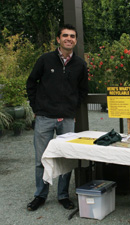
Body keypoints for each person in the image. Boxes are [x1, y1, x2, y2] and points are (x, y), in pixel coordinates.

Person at [26, 24, 88, 211]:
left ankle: (63, 195)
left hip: (67, 119)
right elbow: (31, 82)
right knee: (41, 159)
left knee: (65, 158)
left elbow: (83, 91)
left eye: (72, 36)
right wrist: (36, 107)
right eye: (65, 35)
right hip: (44, 117)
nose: (69, 38)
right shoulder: (45, 60)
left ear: (75, 41)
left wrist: (72, 109)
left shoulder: (80, 65)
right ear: (58, 39)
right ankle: (40, 195)